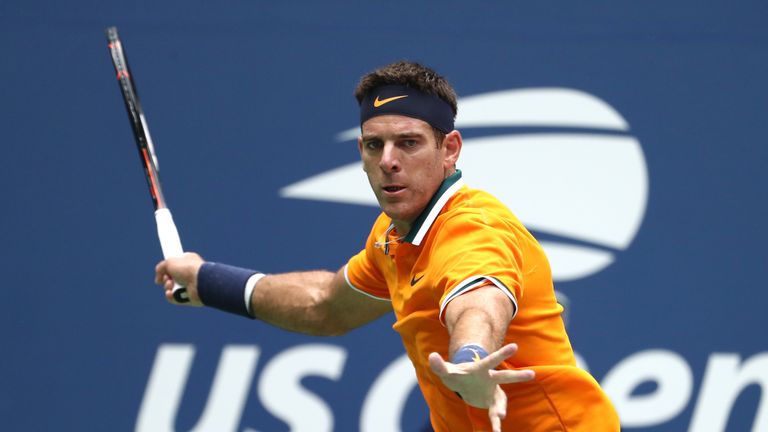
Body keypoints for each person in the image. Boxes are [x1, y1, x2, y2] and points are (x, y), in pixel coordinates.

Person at [155, 61, 620, 431]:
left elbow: (480, 298)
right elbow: (324, 306)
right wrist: (205, 280)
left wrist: (471, 358)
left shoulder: (473, 229)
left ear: (450, 149)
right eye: (374, 146)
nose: (389, 162)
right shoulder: (391, 235)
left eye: (409, 143)